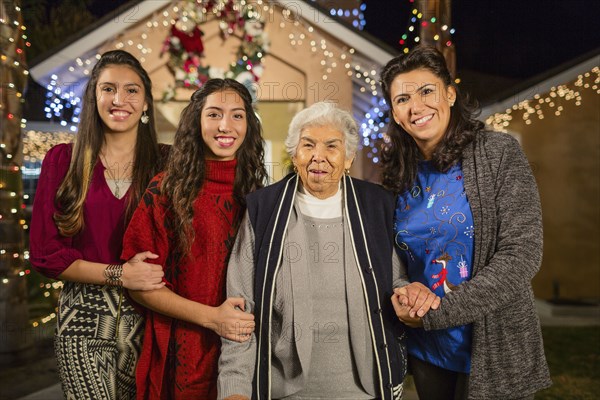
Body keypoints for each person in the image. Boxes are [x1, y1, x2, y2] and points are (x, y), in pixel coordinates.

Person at [380, 45, 552, 400]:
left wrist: (439, 312)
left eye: (427, 91)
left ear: (450, 94)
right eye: (402, 99)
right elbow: (390, 250)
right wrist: (403, 288)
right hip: (428, 349)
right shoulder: (397, 173)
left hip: (494, 345)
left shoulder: (498, 153)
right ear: (395, 114)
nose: (417, 106)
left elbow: (522, 255)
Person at [218, 102, 406, 400]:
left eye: (332, 146)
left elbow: (399, 283)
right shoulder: (263, 209)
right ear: (295, 155)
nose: (319, 156)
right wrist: (235, 389)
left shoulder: (377, 206)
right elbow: (240, 308)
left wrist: (409, 296)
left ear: (348, 158)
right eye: (308, 145)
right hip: (284, 392)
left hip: (367, 389)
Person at [30, 50, 167, 399]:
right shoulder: (63, 161)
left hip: (151, 316)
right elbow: (45, 254)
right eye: (108, 89)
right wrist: (120, 274)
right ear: (94, 97)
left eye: (131, 90)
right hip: (83, 318)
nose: (119, 99)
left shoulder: (170, 163)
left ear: (147, 102)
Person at [120, 78, 267, 399]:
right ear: (197, 121)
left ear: (249, 126)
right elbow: (140, 287)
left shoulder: (260, 196)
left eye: (237, 115)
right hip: (181, 351)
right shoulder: (165, 190)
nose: (225, 125)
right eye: (214, 114)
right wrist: (213, 318)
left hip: (245, 352)